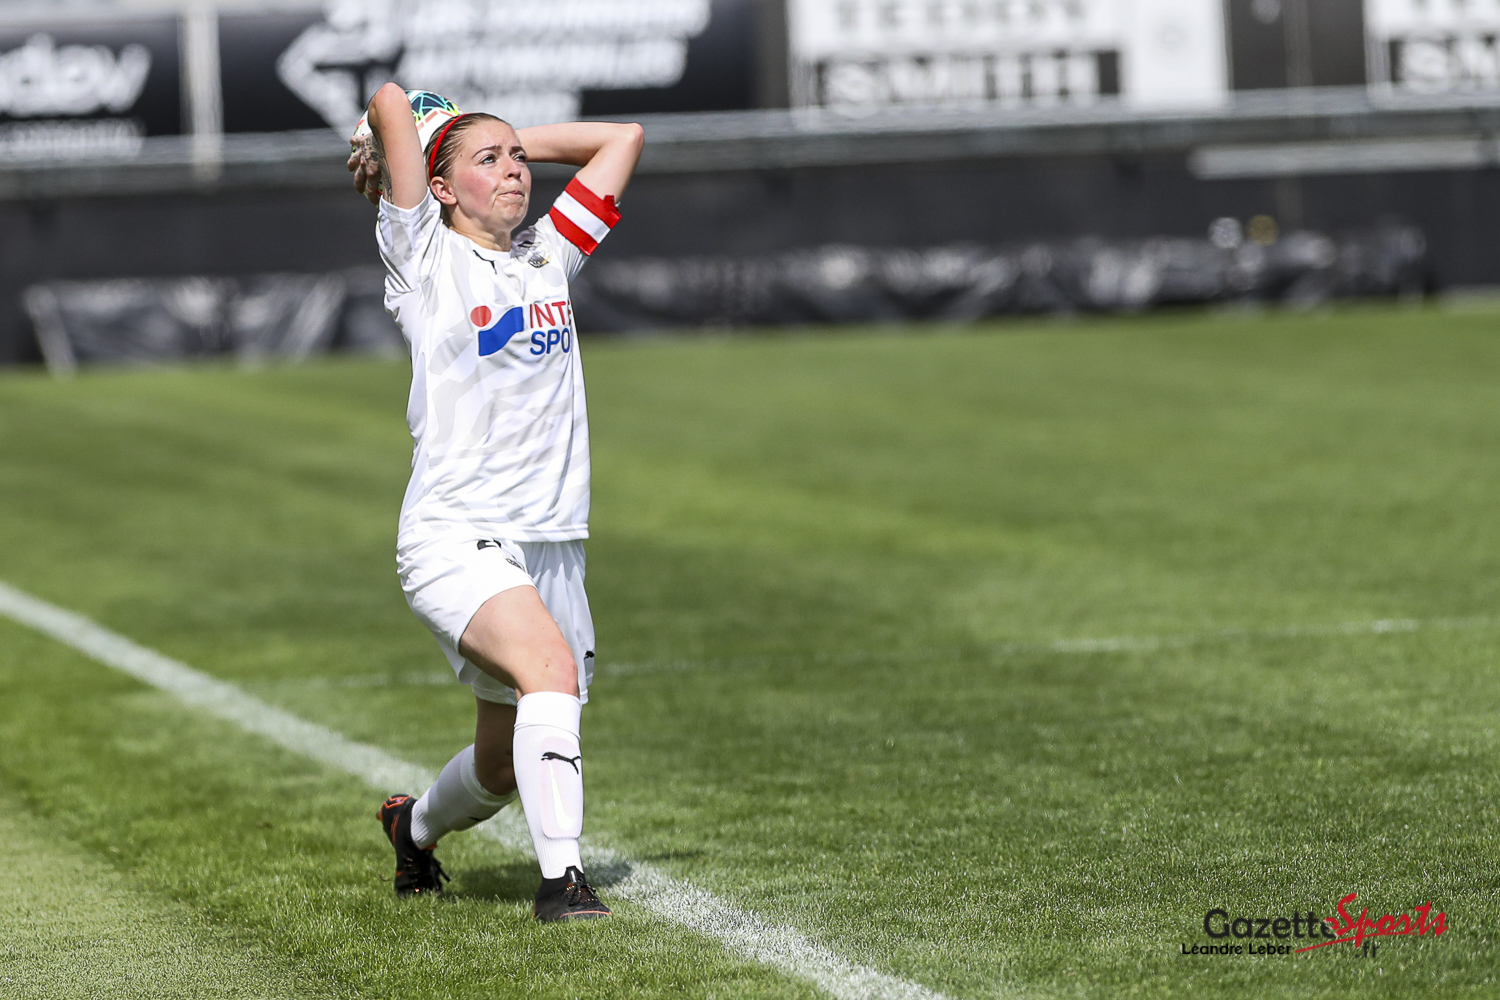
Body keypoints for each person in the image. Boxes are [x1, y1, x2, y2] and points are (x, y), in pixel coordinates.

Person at [347, 83, 643, 922]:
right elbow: (390, 99)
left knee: (505, 761)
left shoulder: (549, 252)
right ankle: (564, 885)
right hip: (457, 534)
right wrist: (392, 141)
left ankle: (413, 829)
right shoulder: (425, 261)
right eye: (489, 161)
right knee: (549, 674)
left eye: (519, 158)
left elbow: (622, 139)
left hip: (552, 542)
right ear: (439, 187)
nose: (515, 170)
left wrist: (500, 136)